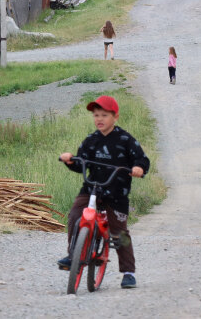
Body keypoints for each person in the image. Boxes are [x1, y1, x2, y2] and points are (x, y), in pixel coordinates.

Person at [57, 95, 150, 290]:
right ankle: (74, 255)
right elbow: (80, 163)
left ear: (115, 117)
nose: (99, 119)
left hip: (117, 193)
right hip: (92, 189)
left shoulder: (125, 139)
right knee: (75, 216)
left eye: (104, 115)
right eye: (96, 115)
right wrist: (70, 160)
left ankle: (128, 272)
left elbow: (142, 159)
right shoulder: (91, 140)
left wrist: (139, 168)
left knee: (119, 232)